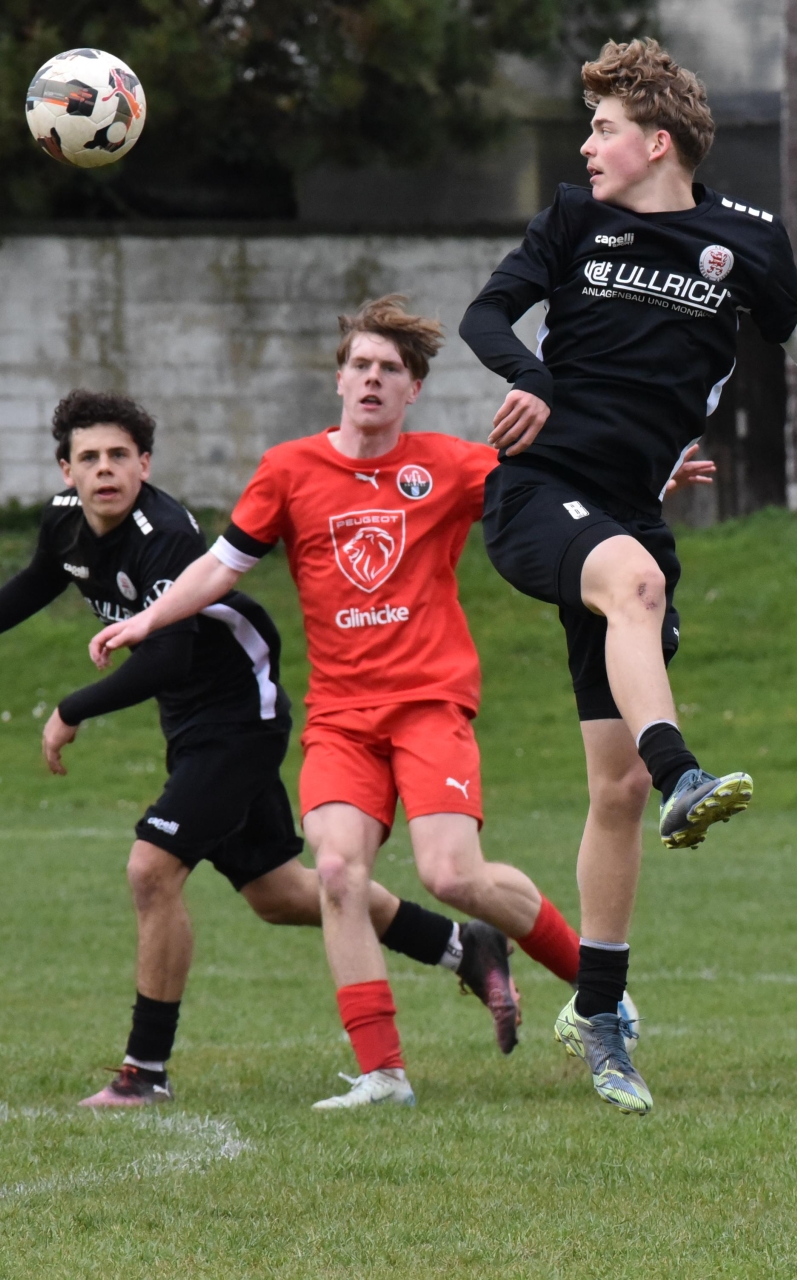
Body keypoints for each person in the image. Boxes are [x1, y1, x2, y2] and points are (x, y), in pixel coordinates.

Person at [458, 39, 797, 1116]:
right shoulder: (573, 221)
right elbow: (484, 317)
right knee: (633, 588)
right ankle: (685, 775)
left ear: (657, 141)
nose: (586, 145)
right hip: (537, 495)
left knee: (611, 785)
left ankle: (598, 1013)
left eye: (604, 127)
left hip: (632, 512)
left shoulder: (747, 242)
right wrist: (533, 380)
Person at [90, 297, 639, 1110]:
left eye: (390, 369)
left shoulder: (451, 464)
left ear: (413, 389)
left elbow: (553, 489)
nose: (373, 379)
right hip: (341, 718)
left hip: (429, 704)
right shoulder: (288, 470)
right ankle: (383, 1074)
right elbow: (221, 565)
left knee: (453, 875)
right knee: (339, 873)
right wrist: (149, 617)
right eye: (361, 366)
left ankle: (601, 997)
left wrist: (645, 477)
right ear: (340, 380)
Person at [0, 388, 504, 1111]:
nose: (105, 469)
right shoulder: (64, 521)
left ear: (145, 463)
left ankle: (144, 1071)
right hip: (190, 722)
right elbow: (37, 581)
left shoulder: (165, 533)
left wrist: (72, 709)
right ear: (65, 471)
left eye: (120, 455)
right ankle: (462, 946)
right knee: (279, 894)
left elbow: (170, 654)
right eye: (89, 458)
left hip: (240, 716)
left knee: (151, 868)